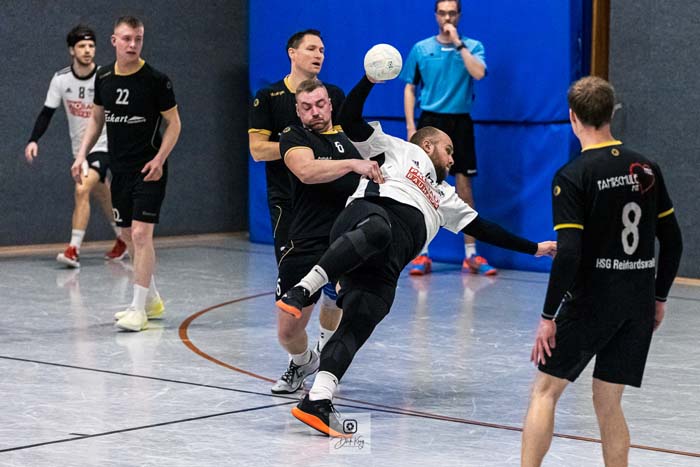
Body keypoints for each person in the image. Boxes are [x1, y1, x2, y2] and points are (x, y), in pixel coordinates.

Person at [276, 73, 556, 437]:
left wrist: (535, 248)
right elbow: (350, 116)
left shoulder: (447, 196)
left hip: (387, 264)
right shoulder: (396, 148)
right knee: (379, 230)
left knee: (363, 317)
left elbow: (485, 228)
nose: (452, 159)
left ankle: (318, 400)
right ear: (428, 145)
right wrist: (369, 80)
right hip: (366, 219)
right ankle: (303, 289)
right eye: (448, 150)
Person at [521, 76, 683, 467]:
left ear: (572, 117)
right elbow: (673, 241)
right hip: (637, 302)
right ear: (611, 113)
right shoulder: (646, 168)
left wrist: (547, 316)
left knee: (544, 392)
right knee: (608, 402)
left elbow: (570, 252)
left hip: (592, 301)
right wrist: (658, 297)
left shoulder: (573, 175)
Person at [248, 30, 347, 390]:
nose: (319, 54)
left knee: (336, 287)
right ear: (292, 52)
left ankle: (326, 355)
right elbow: (258, 150)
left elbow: (345, 143)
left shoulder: (332, 96)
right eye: (311, 48)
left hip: (330, 202)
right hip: (287, 204)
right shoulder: (269, 97)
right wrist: (300, 146)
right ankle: (301, 361)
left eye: (323, 49)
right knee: (293, 292)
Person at [272, 79, 383, 394]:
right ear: (298, 111)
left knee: (341, 302)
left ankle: (328, 363)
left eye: (320, 104)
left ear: (331, 105)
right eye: (306, 107)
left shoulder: (352, 137)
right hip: (306, 241)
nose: (315, 112)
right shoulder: (294, 136)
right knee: (287, 331)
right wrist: (353, 164)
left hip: (348, 240)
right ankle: (303, 361)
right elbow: (306, 172)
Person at [72, 16, 181, 332]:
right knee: (127, 235)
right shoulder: (104, 77)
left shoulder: (156, 80)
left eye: (138, 39)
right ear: (114, 41)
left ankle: (138, 309)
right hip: (118, 170)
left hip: (149, 169)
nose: (133, 44)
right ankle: (152, 300)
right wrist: (81, 155)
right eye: (127, 38)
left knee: (141, 235)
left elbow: (174, 124)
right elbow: (96, 119)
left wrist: (160, 158)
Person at [400, 0, 492, 276]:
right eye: (442, 13)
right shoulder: (421, 48)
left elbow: (479, 73)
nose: (447, 18)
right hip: (431, 121)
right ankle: (421, 254)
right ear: (436, 15)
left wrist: (458, 44)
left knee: (464, 187)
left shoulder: (473, 46)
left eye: (452, 13)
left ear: (459, 15)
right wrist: (410, 126)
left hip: (460, 122)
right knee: (422, 186)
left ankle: (471, 254)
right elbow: (410, 88)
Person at [25, 24, 126, 268]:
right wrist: (33, 140)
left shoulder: (105, 77)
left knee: (82, 189)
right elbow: (47, 113)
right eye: (82, 46)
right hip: (80, 151)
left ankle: (73, 250)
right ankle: (124, 238)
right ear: (72, 50)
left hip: (105, 146)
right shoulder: (61, 79)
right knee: (102, 191)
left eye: (91, 45)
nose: (88, 50)